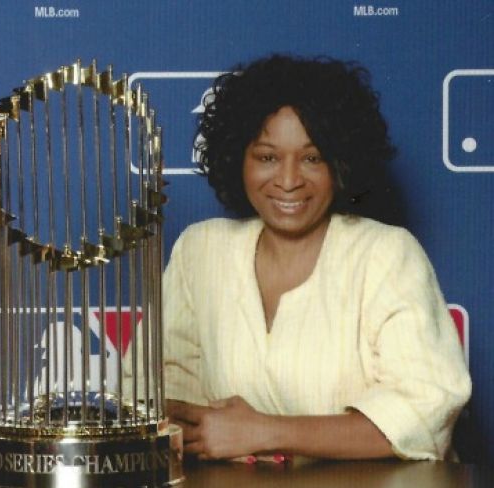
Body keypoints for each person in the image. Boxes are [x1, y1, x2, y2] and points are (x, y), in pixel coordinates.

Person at [163, 54, 471, 461]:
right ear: (237, 158)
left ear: (341, 163)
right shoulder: (200, 251)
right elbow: (162, 402)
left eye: (312, 158)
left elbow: (425, 415)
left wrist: (262, 432)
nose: (289, 181)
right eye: (267, 157)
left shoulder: (386, 254)